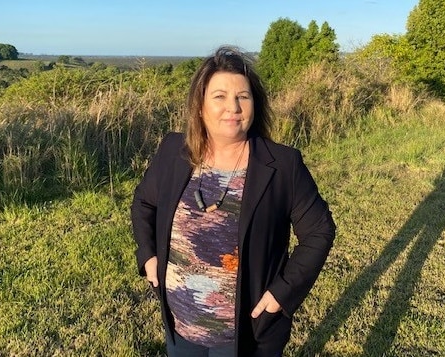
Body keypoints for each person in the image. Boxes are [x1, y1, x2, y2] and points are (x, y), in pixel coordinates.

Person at [131, 45, 336, 357]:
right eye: (220, 96)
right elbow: (144, 204)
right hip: (180, 327)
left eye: (243, 96)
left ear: (255, 103)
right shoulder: (174, 151)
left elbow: (319, 231)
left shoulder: (282, 165)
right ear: (199, 106)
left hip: (247, 335)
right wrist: (148, 257)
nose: (234, 107)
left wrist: (282, 293)